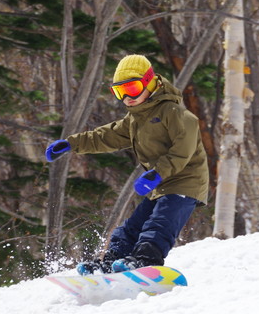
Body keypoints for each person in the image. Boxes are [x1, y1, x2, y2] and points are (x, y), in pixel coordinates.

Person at [46, 54, 209, 274]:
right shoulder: (135, 120)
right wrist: (70, 144)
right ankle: (114, 261)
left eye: (131, 89)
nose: (126, 97)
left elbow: (183, 151)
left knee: (159, 224)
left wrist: (156, 173)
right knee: (131, 227)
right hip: (160, 185)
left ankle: (145, 260)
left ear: (150, 82)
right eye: (119, 92)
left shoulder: (176, 114)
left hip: (185, 182)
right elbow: (104, 136)